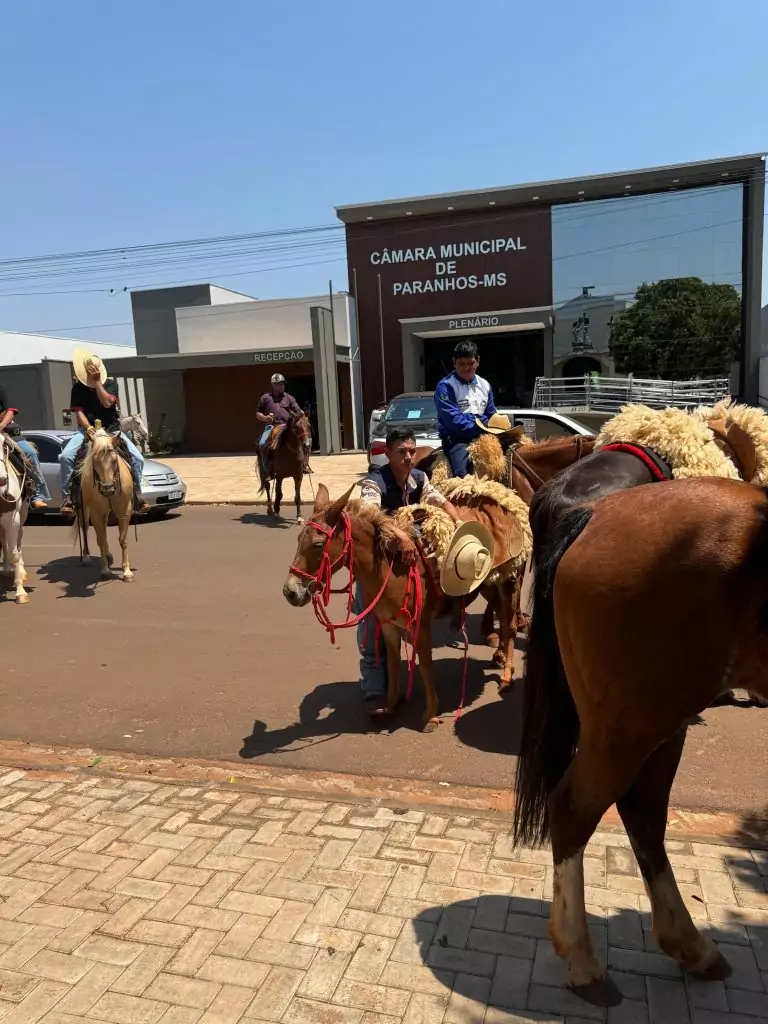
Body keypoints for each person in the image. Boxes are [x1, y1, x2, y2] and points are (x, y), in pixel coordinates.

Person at [356, 425, 462, 716]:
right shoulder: (374, 482)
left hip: (408, 553)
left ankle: (444, 607)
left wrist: (455, 517)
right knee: (369, 622)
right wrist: (399, 533)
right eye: (401, 452)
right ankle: (374, 691)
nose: (408, 457)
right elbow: (367, 514)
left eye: (412, 451)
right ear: (387, 453)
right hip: (379, 558)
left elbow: (436, 498)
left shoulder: (418, 477)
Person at [59, 349, 148, 517]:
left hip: (112, 431)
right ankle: (68, 498)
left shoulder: (111, 384)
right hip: (87, 432)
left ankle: (137, 495)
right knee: (66, 457)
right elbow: (79, 412)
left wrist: (97, 382)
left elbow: (107, 403)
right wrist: (88, 428)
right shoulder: (77, 388)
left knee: (137, 458)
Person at [434, 339, 497, 477]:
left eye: (470, 363)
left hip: (484, 436)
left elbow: (492, 414)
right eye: (461, 364)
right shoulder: (445, 386)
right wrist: (481, 422)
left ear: (478, 361)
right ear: (454, 362)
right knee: (463, 475)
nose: (466, 368)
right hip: (457, 440)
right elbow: (454, 421)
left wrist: (484, 421)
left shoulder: (485, 385)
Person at [0, 387, 51, 509]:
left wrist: (1, 425)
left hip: (6, 432)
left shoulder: (1, 389)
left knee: (30, 453)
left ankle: (37, 494)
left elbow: (10, 411)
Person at [256, 373, 305, 473]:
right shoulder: (265, 398)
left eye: (283, 383)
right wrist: (265, 418)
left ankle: (304, 465)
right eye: (279, 384)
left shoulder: (289, 398)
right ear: (273, 384)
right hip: (271, 426)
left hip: (287, 426)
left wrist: (300, 413)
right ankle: (267, 469)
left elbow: (298, 410)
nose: (282, 385)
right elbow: (257, 413)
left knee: (305, 441)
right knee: (262, 444)